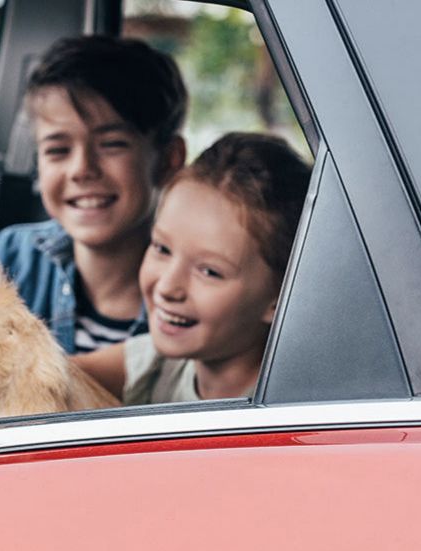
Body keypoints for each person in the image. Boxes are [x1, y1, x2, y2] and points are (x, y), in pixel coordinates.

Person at [73, 132, 311, 404]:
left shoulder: (288, 410)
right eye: (162, 249)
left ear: (281, 299)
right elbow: (51, 377)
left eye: (209, 271)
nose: (166, 287)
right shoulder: (159, 363)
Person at [0, 35, 188, 354]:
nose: (82, 169)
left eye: (112, 144)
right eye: (57, 150)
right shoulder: (12, 257)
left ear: (169, 159)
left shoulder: (193, 296)